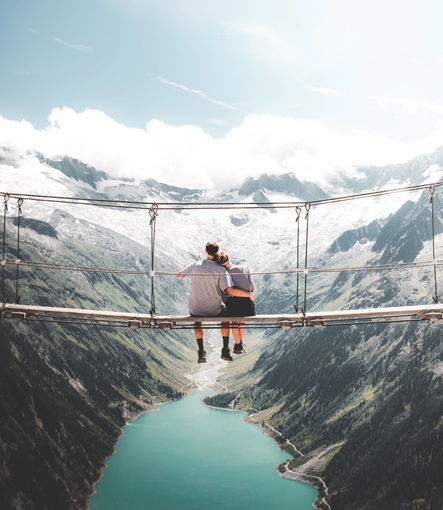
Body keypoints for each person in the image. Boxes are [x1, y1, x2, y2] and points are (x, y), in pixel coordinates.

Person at [177, 242, 254, 364]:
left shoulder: (195, 265)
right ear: (217, 252)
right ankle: (225, 350)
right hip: (214, 309)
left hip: (195, 308)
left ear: (205, 251)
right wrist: (248, 294)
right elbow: (230, 290)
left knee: (197, 320)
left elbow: (178, 275)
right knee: (225, 317)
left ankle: (201, 351)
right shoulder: (220, 269)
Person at [215, 252, 255, 355]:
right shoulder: (244, 268)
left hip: (233, 304)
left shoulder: (224, 273)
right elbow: (252, 287)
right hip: (247, 304)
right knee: (242, 321)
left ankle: (238, 344)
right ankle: (239, 344)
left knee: (234, 321)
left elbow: (227, 292)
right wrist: (248, 295)